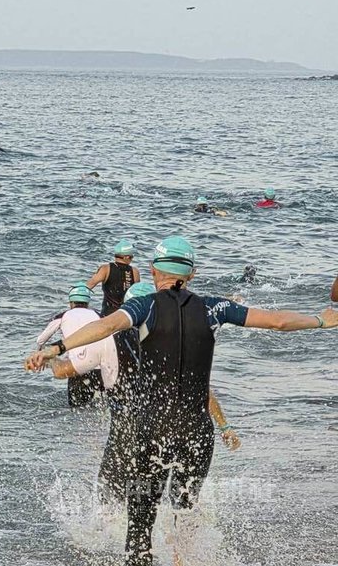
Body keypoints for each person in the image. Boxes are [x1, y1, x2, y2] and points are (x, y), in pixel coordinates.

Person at [26, 236, 338, 566]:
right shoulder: (214, 308)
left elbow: (105, 326)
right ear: (192, 274)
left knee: (140, 528)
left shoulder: (143, 306)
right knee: (185, 517)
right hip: (197, 432)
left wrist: (56, 348)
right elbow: (277, 321)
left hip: (154, 430)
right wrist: (320, 320)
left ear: (152, 270)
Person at [29, 282, 241, 503]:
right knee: (172, 497)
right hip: (164, 426)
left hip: (127, 431)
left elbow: (64, 371)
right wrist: (225, 427)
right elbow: (201, 391)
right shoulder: (172, 342)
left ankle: (114, 534)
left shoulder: (106, 341)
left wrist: (51, 358)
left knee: (111, 497)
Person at [35, 283, 106, 407]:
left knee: (76, 410)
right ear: (88, 303)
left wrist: (40, 353)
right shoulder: (99, 315)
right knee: (100, 408)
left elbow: (41, 340)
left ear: (71, 302)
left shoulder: (63, 316)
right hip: (100, 370)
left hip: (77, 368)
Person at [87, 239, 140, 315]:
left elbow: (88, 286)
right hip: (126, 314)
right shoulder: (134, 272)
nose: (132, 259)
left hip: (108, 314)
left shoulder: (106, 269)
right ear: (126, 257)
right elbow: (137, 296)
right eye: (131, 257)